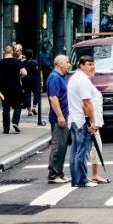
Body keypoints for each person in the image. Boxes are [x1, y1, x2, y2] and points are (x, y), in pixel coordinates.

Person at [66, 55, 99, 188]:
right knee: (82, 151)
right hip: (81, 119)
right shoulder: (83, 80)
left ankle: (76, 179)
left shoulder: (74, 78)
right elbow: (87, 103)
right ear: (81, 65)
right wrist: (92, 122)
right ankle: (82, 180)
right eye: (88, 64)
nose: (91, 67)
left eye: (92, 64)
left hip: (73, 118)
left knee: (75, 151)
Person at [46, 55, 71, 184]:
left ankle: (59, 173)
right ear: (59, 64)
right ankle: (53, 174)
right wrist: (60, 116)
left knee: (62, 146)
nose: (69, 64)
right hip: (58, 118)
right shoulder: (54, 78)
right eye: (67, 62)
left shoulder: (61, 77)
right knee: (58, 145)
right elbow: (53, 98)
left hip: (64, 116)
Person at [0, 45, 27, 134]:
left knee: (6, 109)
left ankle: (6, 129)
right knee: (18, 106)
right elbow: (24, 73)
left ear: (4, 52)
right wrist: (18, 75)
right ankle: (15, 122)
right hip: (16, 87)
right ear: (12, 52)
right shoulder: (17, 62)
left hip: (3, 89)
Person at [22, 49, 41, 117]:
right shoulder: (35, 62)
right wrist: (41, 80)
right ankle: (34, 107)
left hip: (26, 80)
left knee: (27, 95)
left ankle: (29, 110)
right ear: (32, 55)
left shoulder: (23, 63)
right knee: (37, 93)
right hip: (34, 80)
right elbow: (39, 71)